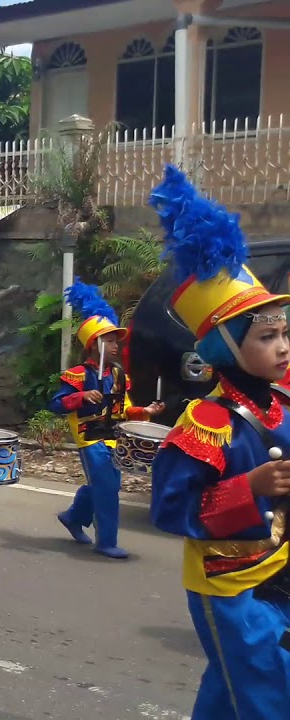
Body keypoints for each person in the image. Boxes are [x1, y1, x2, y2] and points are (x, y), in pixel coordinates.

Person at [149, 166, 290, 717]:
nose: (283, 346)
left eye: (285, 332)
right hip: (229, 585)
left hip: (281, 570)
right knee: (265, 694)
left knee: (235, 691)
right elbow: (170, 508)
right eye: (267, 335)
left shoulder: (284, 405)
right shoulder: (206, 422)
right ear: (226, 347)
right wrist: (249, 487)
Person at [51, 281, 163, 559]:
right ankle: (106, 541)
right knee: (107, 488)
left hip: (113, 436)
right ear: (93, 345)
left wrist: (147, 411)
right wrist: (81, 396)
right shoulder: (78, 375)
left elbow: (125, 410)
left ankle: (73, 517)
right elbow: (56, 404)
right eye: (109, 341)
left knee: (104, 483)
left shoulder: (117, 375)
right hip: (89, 437)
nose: (115, 346)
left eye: (116, 341)